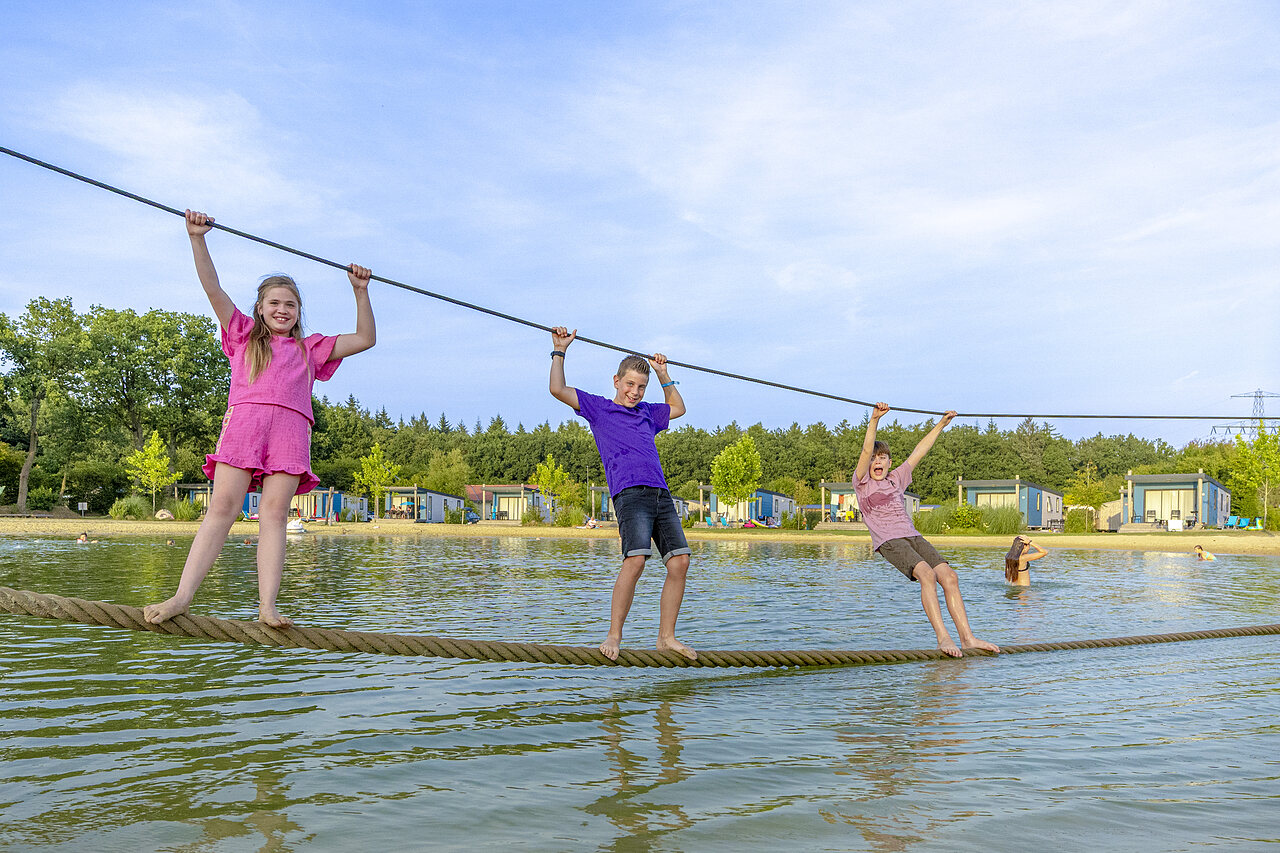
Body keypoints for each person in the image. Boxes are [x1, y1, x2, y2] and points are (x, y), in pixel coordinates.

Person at [144, 210, 375, 628]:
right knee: (222, 509)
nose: (282, 309)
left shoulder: (312, 348)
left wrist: (360, 290)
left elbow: (365, 339)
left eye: (290, 304)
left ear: (299, 310)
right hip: (245, 426)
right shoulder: (243, 333)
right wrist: (198, 238)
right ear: (260, 308)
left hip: (290, 432)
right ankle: (182, 597)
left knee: (273, 514)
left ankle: (267, 606)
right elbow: (211, 287)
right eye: (275, 303)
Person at [548, 325, 695, 661]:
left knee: (681, 562)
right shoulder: (599, 408)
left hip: (660, 493)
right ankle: (614, 635)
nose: (635, 391)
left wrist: (662, 374)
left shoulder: (648, 413)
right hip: (630, 494)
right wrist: (560, 351)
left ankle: (666, 637)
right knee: (636, 560)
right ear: (616, 381)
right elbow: (557, 388)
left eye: (641, 387)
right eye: (630, 384)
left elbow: (679, 407)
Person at [855, 402, 1000, 657]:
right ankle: (943, 638)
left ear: (889, 462)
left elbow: (920, 451)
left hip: (913, 536)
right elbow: (867, 448)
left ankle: (967, 638)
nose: (877, 462)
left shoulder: (896, 478)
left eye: (882, 458)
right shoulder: (862, 482)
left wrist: (942, 424)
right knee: (926, 574)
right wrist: (874, 420)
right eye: (874, 460)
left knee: (949, 576)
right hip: (889, 540)